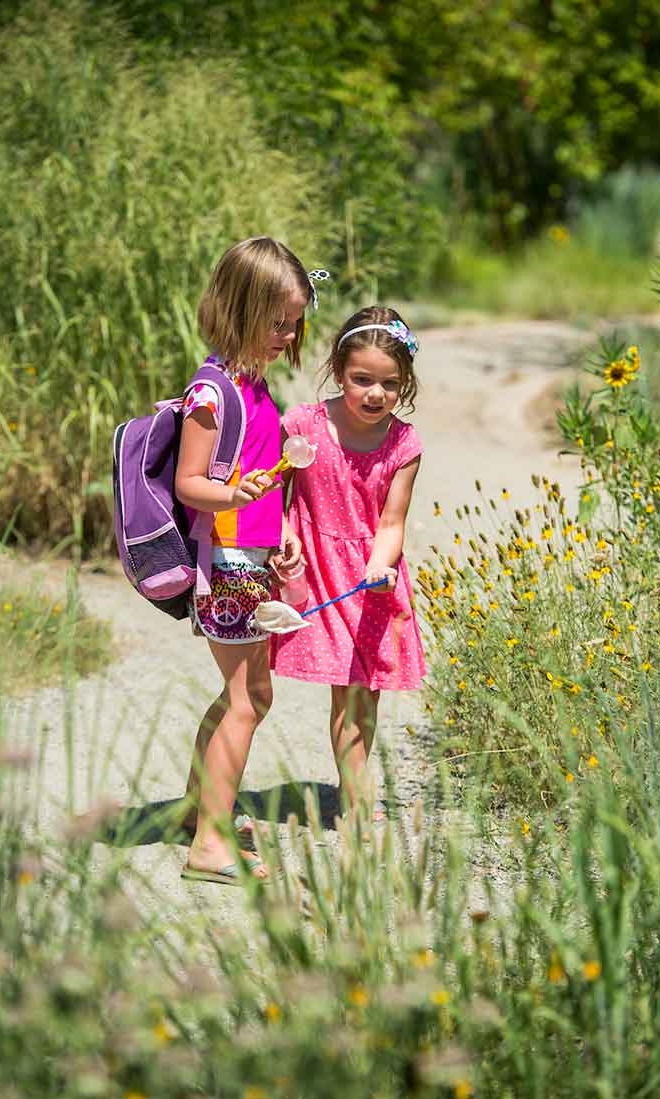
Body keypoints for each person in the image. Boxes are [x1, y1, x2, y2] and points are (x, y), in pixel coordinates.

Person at [175, 236, 315, 884]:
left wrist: (281, 523)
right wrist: (235, 496)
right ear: (239, 309)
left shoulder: (253, 385)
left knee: (250, 692)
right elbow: (191, 482)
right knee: (246, 700)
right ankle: (209, 843)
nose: (288, 335)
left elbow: (266, 473)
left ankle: (198, 806)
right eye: (277, 322)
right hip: (227, 560)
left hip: (253, 555)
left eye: (295, 324)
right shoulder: (213, 392)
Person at [270, 306, 426, 827]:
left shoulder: (403, 444)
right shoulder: (304, 426)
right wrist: (285, 534)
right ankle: (355, 796)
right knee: (345, 684)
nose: (375, 394)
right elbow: (273, 493)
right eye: (362, 380)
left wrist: (382, 564)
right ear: (339, 372)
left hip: (369, 578)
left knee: (364, 692)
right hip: (315, 574)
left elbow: (392, 521)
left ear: (403, 384)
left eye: (389, 383)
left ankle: (353, 788)